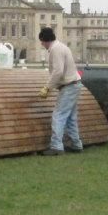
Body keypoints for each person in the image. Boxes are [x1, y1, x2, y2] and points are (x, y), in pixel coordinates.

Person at [37, 27, 84, 155]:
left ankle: (56, 146)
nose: (42, 44)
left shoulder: (55, 49)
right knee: (70, 117)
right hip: (75, 84)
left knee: (58, 116)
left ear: (45, 40)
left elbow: (58, 71)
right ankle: (76, 144)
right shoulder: (62, 47)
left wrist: (47, 87)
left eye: (41, 42)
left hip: (69, 86)